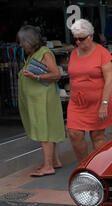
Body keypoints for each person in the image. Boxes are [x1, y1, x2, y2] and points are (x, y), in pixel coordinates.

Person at [17, 25, 65, 177]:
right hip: (38, 100)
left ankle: (48, 166)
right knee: (47, 129)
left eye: (22, 42)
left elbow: (56, 74)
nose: (20, 45)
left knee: (44, 130)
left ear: (29, 41)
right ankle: (54, 161)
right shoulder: (35, 53)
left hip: (43, 100)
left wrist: (36, 77)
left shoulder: (44, 53)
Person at [67, 19, 112, 163]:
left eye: (81, 38)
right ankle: (84, 165)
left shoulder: (102, 53)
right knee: (74, 133)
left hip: (98, 101)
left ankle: (99, 167)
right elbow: (73, 76)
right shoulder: (73, 53)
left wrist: (104, 103)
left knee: (97, 137)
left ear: (90, 36)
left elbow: (109, 80)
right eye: (75, 39)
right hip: (77, 102)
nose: (78, 42)